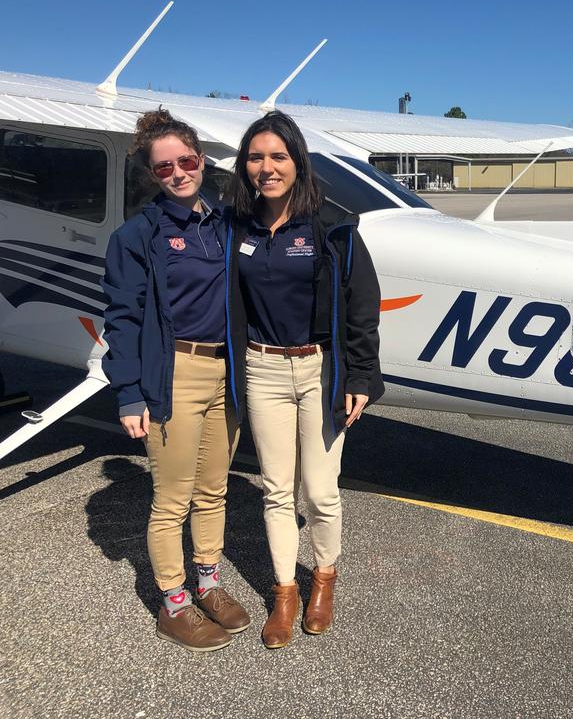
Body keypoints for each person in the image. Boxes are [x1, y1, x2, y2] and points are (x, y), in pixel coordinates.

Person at [232, 111, 383, 649]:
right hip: (262, 366)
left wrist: (361, 373)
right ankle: (286, 591)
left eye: (278, 156)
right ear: (244, 165)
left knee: (319, 491)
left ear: (297, 161)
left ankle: (324, 579)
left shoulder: (332, 226)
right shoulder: (238, 226)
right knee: (275, 490)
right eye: (256, 157)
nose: (266, 167)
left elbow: (362, 305)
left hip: (320, 368)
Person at [102, 109, 250, 652]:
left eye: (186, 161)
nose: (178, 173)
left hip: (225, 369)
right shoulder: (137, 235)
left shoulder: (224, 223)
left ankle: (208, 583)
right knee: (173, 499)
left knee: (214, 490)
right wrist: (129, 390)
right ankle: (174, 602)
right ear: (152, 174)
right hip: (174, 371)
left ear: (202, 161)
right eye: (164, 167)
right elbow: (121, 315)